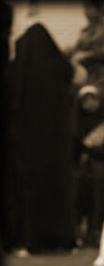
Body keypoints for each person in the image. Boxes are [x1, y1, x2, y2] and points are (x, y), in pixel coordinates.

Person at [6, 23, 77, 253]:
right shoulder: (58, 68)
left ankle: (33, 240)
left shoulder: (19, 70)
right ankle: (62, 238)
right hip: (57, 146)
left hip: (29, 144)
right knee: (59, 191)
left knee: (31, 192)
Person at [72, 84, 104, 247]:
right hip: (83, 171)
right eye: (85, 100)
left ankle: (97, 232)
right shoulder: (75, 124)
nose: (89, 103)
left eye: (92, 99)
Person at [70, 0, 104, 89]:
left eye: (89, 8)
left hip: (101, 76)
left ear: (99, 9)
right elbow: (77, 48)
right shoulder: (86, 30)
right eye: (85, 8)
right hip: (85, 75)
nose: (86, 12)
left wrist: (84, 55)